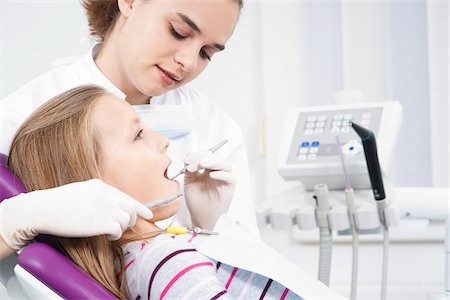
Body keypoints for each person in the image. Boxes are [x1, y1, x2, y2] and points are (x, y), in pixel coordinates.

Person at [6, 85, 320, 300]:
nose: (163, 141)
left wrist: (209, 228)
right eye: (138, 134)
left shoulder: (154, 255)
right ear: (91, 180)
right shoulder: (164, 258)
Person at [0, 0, 258, 257]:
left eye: (206, 53)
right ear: (130, 3)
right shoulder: (23, 115)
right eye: (177, 31)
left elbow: (252, 273)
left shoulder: (216, 127)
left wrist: (210, 226)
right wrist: (20, 219)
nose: (188, 61)